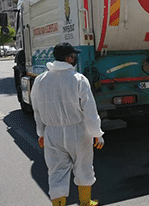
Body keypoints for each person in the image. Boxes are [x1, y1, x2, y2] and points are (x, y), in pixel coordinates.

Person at [31, 42, 104, 206]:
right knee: (83, 166)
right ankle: (85, 202)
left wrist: (41, 133)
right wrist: (97, 134)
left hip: (52, 132)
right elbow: (90, 111)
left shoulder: (40, 80)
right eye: (73, 56)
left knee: (56, 172)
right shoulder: (78, 79)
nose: (75, 58)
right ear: (68, 58)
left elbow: (37, 110)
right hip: (78, 131)